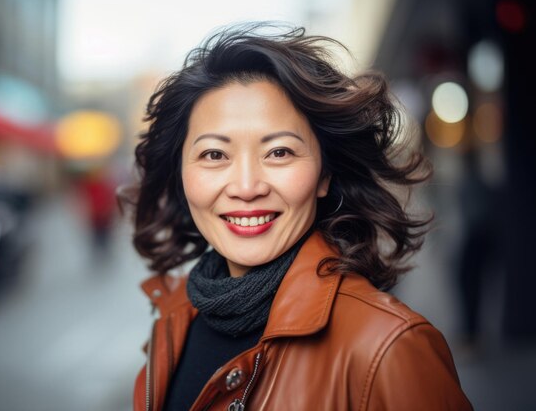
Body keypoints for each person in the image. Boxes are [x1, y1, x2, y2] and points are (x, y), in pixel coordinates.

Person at [126, 24, 472, 411]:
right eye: (214, 155)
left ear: (324, 174)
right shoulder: (174, 323)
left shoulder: (389, 347)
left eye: (279, 153)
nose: (246, 186)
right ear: (181, 174)